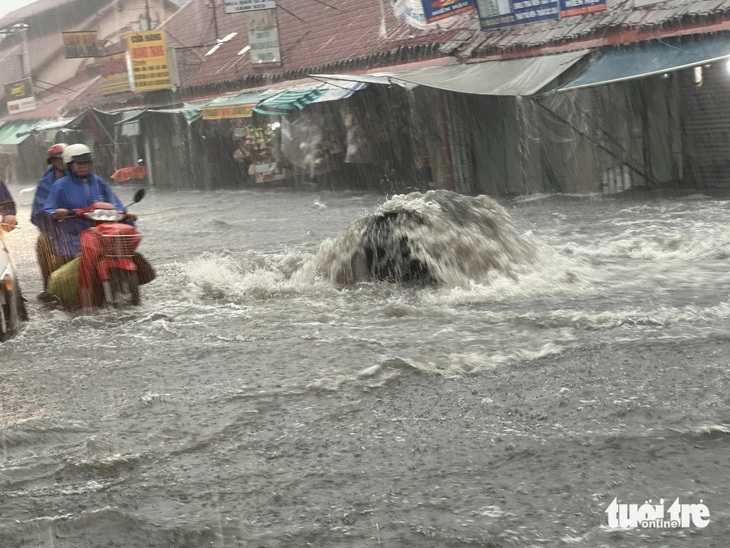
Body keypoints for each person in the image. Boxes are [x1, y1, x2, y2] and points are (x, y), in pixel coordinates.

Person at [43, 144, 154, 301]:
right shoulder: (59, 186)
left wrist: (126, 215)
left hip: (103, 235)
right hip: (73, 236)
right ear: (69, 164)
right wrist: (56, 213)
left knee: (134, 256)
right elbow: (48, 208)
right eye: (79, 163)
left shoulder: (98, 182)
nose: (83, 166)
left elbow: (116, 204)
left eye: (86, 163)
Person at [31, 143, 67, 291]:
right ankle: (49, 287)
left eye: (63, 158)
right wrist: (52, 213)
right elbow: (40, 207)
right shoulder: (45, 183)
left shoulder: (82, 177)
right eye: (57, 159)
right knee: (43, 245)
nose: (61, 161)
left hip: (82, 221)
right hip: (54, 226)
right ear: (51, 161)